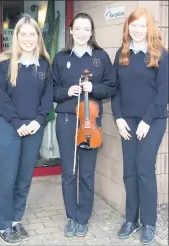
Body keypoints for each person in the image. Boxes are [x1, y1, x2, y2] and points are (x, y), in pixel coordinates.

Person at [52, 12, 116, 237]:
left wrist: (94, 89)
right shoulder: (60, 58)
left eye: (86, 29)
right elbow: (51, 90)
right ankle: (71, 217)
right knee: (69, 172)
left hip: (91, 123)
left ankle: (83, 218)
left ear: (91, 32)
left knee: (87, 173)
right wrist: (67, 91)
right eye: (77, 29)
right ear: (70, 31)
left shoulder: (101, 57)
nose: (81, 33)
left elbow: (111, 87)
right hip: (67, 120)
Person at [0, 14, 53, 245]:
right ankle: (3, 226)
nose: (28, 38)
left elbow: (47, 98)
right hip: (9, 127)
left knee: (24, 178)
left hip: (34, 128)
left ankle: (16, 220)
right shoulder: (2, 64)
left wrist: (38, 121)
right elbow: (1, 99)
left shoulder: (44, 64)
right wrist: (19, 124)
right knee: (7, 178)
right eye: (23, 34)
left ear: (38, 37)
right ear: (16, 36)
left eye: (32, 34)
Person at [111, 7, 168, 245]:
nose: (137, 30)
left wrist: (146, 120)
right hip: (127, 121)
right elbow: (115, 90)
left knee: (144, 168)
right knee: (129, 171)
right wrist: (119, 118)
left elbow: (164, 92)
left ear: (149, 28)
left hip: (152, 120)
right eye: (133, 25)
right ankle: (131, 219)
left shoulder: (160, 54)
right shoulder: (121, 54)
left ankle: (148, 222)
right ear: (128, 27)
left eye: (142, 25)